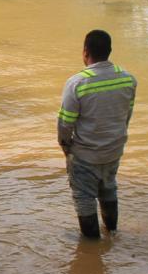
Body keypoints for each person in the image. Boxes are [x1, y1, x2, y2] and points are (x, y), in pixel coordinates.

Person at [57, 30, 137, 239]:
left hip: (86, 154)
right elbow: (126, 115)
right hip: (113, 150)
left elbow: (65, 123)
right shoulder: (128, 79)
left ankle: (92, 247)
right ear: (109, 51)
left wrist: (66, 148)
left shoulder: (77, 83)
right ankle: (112, 233)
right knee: (109, 188)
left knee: (84, 198)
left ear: (85, 52)